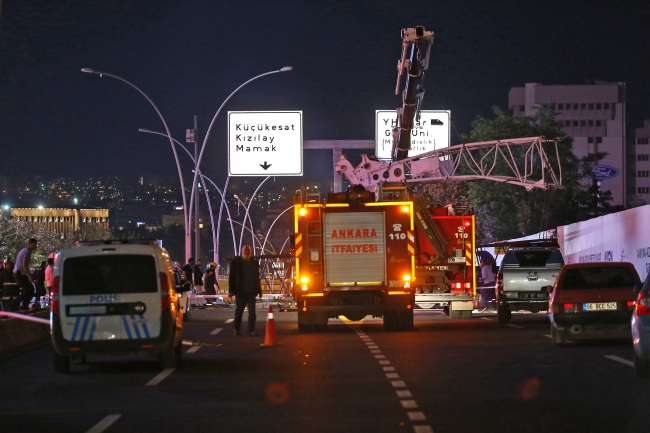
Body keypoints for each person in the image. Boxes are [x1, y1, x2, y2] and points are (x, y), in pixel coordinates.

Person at [229, 245, 262, 336]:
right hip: (240, 292)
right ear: (242, 251)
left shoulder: (254, 263)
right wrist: (231, 290)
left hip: (251, 292)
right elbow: (231, 277)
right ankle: (236, 328)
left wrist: (259, 291)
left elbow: (257, 277)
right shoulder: (236, 262)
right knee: (239, 311)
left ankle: (251, 330)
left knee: (252, 313)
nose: (247, 252)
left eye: (248, 250)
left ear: (250, 252)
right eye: (245, 250)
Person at [12, 238, 38, 311]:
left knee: (29, 290)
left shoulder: (25, 250)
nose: (36, 246)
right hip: (19, 273)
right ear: (31, 244)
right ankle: (14, 304)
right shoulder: (26, 252)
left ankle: (24, 305)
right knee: (28, 290)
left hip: (19, 273)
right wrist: (30, 276)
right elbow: (24, 265)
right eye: (35, 245)